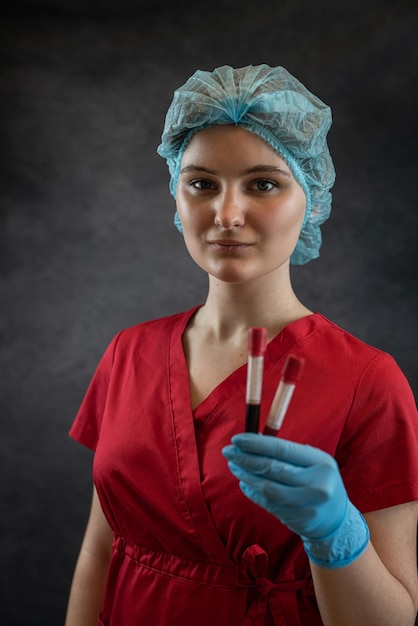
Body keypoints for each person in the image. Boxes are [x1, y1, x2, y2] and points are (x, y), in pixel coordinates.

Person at [64, 64, 418, 626]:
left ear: (312, 196)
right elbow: (100, 551)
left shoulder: (367, 381)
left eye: (263, 183)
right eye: (202, 183)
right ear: (175, 196)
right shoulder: (128, 353)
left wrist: (335, 534)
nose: (227, 215)